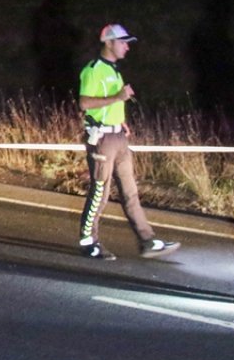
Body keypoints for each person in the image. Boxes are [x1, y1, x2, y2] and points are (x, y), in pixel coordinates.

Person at [76, 23, 180, 260]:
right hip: (102, 139)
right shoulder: (93, 70)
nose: (127, 47)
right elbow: (84, 103)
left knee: (130, 192)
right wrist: (117, 97)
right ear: (109, 43)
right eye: (123, 42)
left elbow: (110, 104)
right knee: (99, 192)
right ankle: (88, 240)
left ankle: (148, 240)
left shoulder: (114, 70)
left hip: (118, 137)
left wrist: (120, 120)